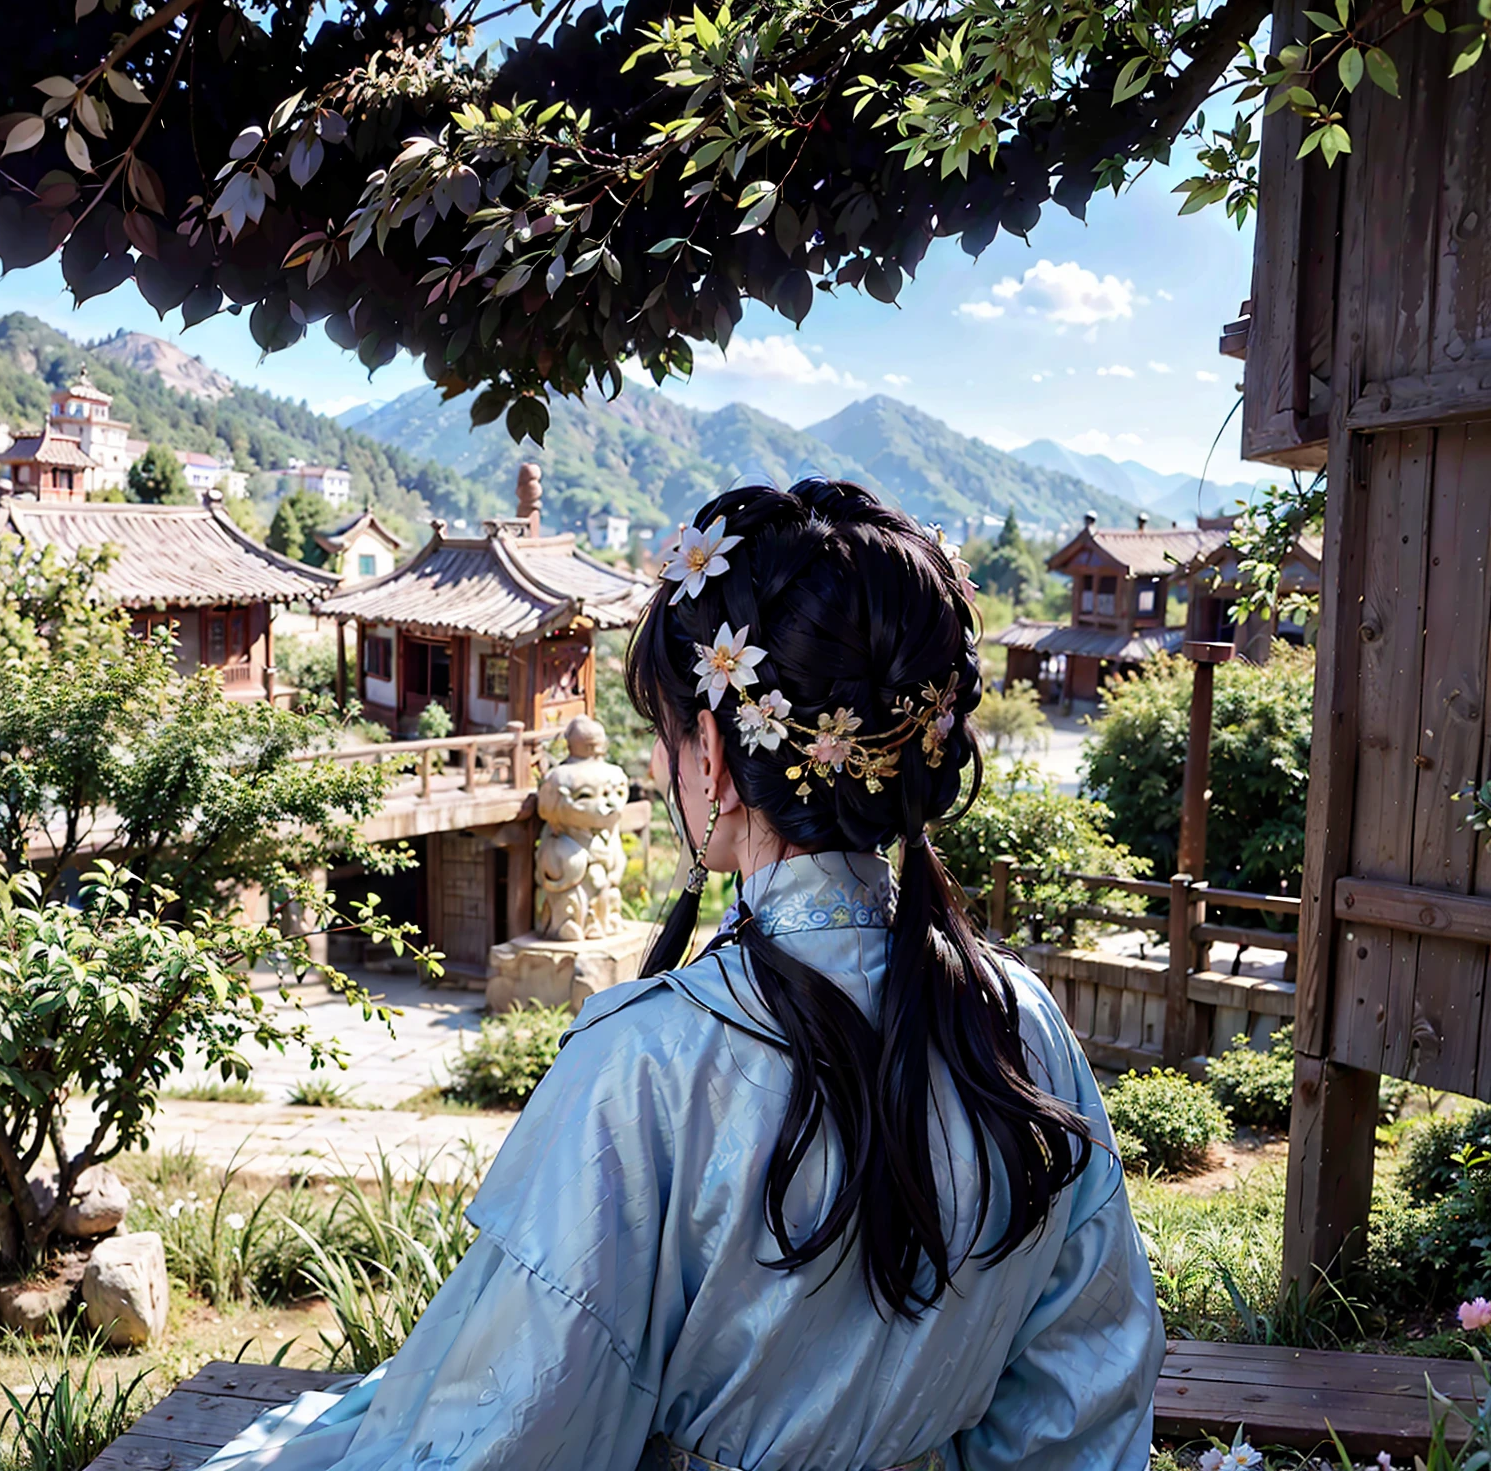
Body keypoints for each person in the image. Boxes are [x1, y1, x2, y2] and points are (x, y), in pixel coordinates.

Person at [201, 480, 1162, 1471]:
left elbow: (511, 1427)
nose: (659, 772)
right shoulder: (1020, 1023)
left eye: (663, 736)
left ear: (705, 747)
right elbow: (1081, 1384)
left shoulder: (645, 1060)